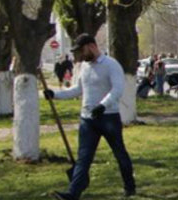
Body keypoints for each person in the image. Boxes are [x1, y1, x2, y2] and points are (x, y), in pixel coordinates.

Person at [44, 33, 136, 199]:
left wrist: (103, 105)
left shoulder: (111, 65)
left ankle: (129, 187)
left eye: (81, 50)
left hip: (109, 118)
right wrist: (54, 94)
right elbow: (77, 90)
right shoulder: (84, 67)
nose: (79, 54)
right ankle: (73, 194)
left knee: (119, 153)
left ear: (92, 46)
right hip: (87, 120)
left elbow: (118, 89)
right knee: (83, 158)